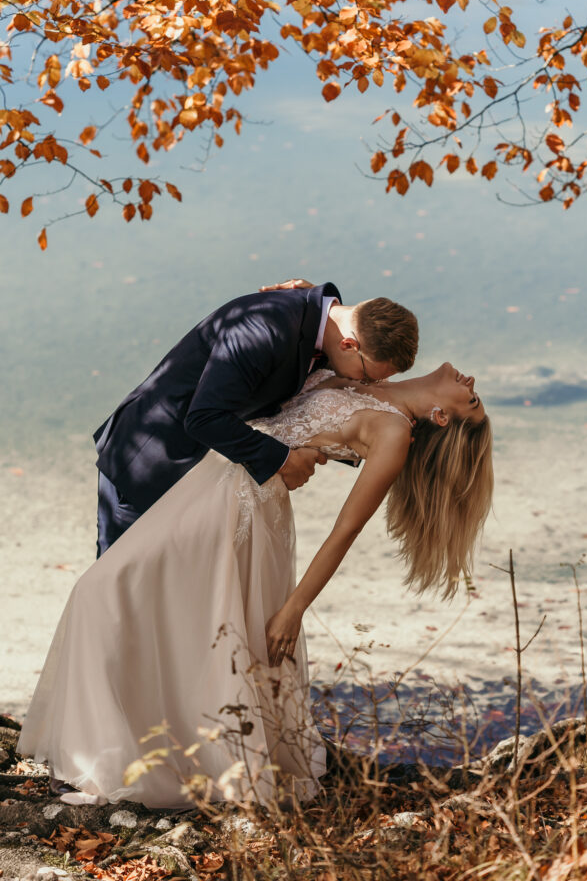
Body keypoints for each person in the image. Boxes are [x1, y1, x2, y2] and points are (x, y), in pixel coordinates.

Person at [18, 363, 493, 810]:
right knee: (153, 607)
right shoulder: (371, 374)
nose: (470, 382)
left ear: (441, 417)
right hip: (208, 478)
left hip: (240, 504)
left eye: (470, 401)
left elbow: (345, 530)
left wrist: (294, 608)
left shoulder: (393, 434)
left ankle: (119, 763)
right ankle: (114, 748)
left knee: (104, 590)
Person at [93, 282, 419, 556]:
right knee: (119, 582)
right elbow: (204, 417)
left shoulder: (323, 321)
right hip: (149, 460)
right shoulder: (264, 329)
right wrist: (282, 460)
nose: (367, 383)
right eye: (368, 375)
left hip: (199, 469)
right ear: (348, 344)